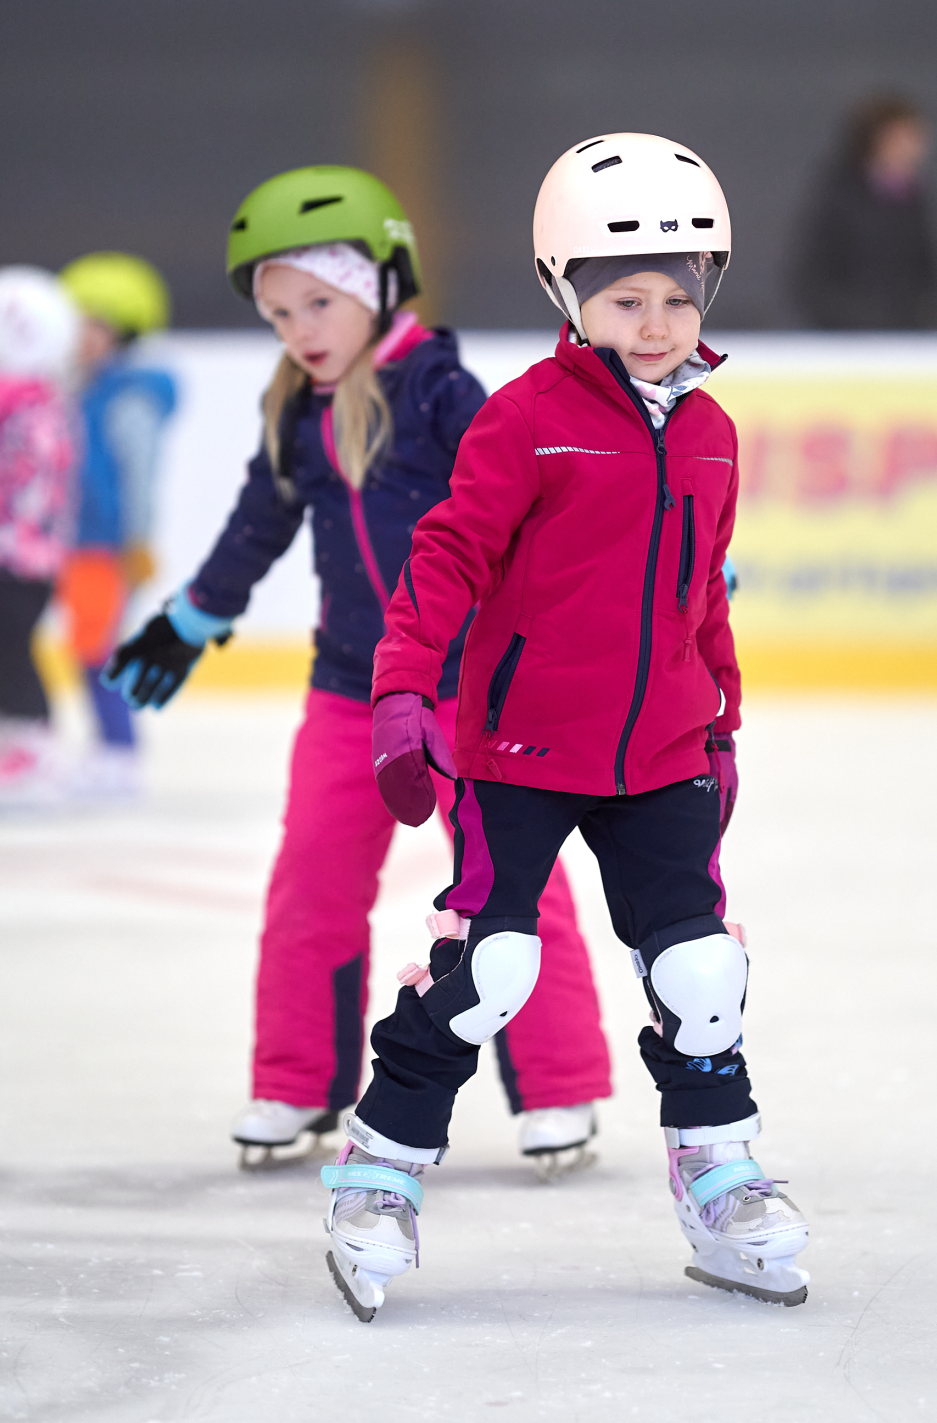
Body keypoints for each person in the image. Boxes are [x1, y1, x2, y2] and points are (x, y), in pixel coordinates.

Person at [321, 133, 810, 1323]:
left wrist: (721, 725)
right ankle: (380, 1166)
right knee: (492, 969)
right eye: (625, 300)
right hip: (520, 753)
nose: (656, 324)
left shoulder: (711, 432)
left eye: (676, 299)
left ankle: (718, 1173)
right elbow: (445, 557)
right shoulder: (526, 420)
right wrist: (403, 692)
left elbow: (701, 598)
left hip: (662, 758)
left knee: (701, 973)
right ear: (567, 293)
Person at [102, 166, 612, 1173]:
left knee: (513, 890)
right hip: (350, 689)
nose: (299, 330)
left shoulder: (441, 393)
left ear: (380, 284)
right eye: (278, 314)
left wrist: (639, 557)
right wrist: (194, 616)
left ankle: (561, 1088)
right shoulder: (299, 409)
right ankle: (296, 1084)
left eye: (318, 303)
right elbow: (257, 525)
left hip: (472, 695)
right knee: (311, 881)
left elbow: (538, 502)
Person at [57, 253, 177, 797]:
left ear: (123, 331)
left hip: (106, 543)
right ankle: (109, 748)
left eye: (94, 324)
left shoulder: (130, 395)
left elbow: (139, 473)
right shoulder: (86, 386)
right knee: (88, 644)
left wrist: (138, 540)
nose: (80, 336)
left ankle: (119, 752)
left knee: (97, 647)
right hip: (76, 539)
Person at [0, 267, 80, 805]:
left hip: (23, 558)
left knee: (13, 647)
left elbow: (31, 485)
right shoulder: (31, 403)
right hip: (24, 553)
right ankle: (22, 746)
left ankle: (35, 752)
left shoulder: (34, 407)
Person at [792, 93, 937, 328]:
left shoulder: (917, 202)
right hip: (847, 336)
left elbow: (931, 273)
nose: (913, 147)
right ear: (877, 139)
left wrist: (925, 314)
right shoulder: (838, 197)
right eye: (902, 137)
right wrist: (856, 321)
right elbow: (810, 280)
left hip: (907, 335)